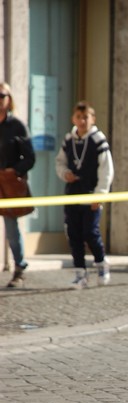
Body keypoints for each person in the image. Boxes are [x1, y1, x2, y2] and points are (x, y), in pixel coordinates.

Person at [56, 101, 114, 288]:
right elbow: (60, 162)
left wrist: (100, 195)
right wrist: (65, 173)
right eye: (79, 117)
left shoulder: (98, 140)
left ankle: (101, 263)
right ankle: (80, 273)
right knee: (74, 234)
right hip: (72, 194)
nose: (82, 121)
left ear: (92, 119)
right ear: (74, 119)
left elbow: (106, 170)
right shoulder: (68, 139)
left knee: (90, 232)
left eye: (86, 117)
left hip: (91, 194)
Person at [0, 82, 35, 288]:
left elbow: (29, 158)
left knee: (11, 228)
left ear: (9, 99)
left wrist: (14, 170)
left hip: (9, 181)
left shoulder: (17, 126)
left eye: (2, 95)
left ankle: (19, 267)